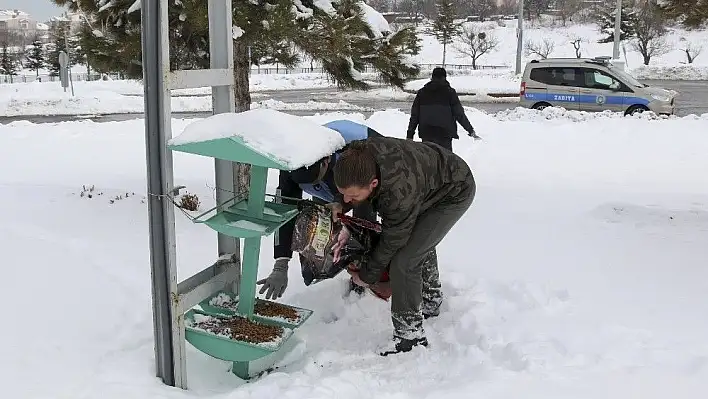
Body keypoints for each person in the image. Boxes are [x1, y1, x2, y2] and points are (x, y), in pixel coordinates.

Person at [331, 137, 476, 356]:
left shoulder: (398, 193)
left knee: (406, 259)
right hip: (426, 182)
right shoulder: (356, 159)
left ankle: (410, 336)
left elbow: (393, 240)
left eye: (352, 196)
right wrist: (343, 214)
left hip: (453, 190)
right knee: (418, 244)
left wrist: (367, 276)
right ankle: (430, 299)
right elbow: (364, 210)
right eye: (343, 193)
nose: (347, 199)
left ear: (374, 184)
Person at [257, 120, 382, 299]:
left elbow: (371, 192)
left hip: (362, 179)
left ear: (326, 162)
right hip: (329, 180)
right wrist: (281, 264)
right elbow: (284, 212)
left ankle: (366, 283)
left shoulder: (355, 148)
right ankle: (340, 270)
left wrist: (341, 202)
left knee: (363, 229)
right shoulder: (289, 164)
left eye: (316, 180)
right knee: (323, 228)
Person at [406, 67, 480, 152]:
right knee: (446, 161)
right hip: (445, 133)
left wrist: (410, 134)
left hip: (427, 132)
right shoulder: (450, 92)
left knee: (430, 160)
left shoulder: (422, 92)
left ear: (432, 77)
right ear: (444, 77)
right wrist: (470, 130)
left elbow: (415, 115)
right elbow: (459, 114)